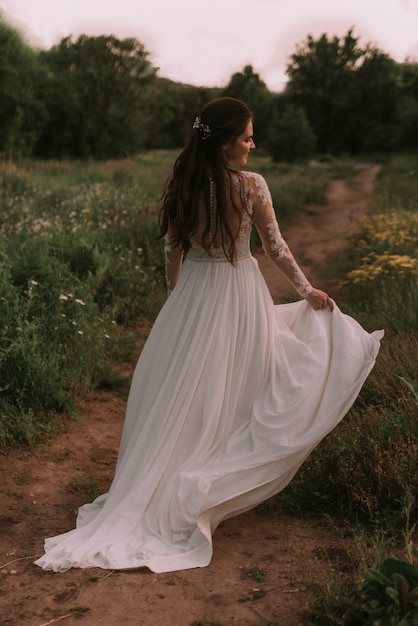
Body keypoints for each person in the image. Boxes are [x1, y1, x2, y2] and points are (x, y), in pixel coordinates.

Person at [35, 97, 383, 574]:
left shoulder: (184, 181)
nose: (252, 144)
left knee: (187, 384)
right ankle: (211, 467)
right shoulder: (252, 186)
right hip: (238, 287)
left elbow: (173, 248)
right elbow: (274, 246)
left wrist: (178, 295)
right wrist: (306, 290)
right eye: (245, 137)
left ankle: (176, 466)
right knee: (244, 375)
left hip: (193, 291)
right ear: (224, 142)